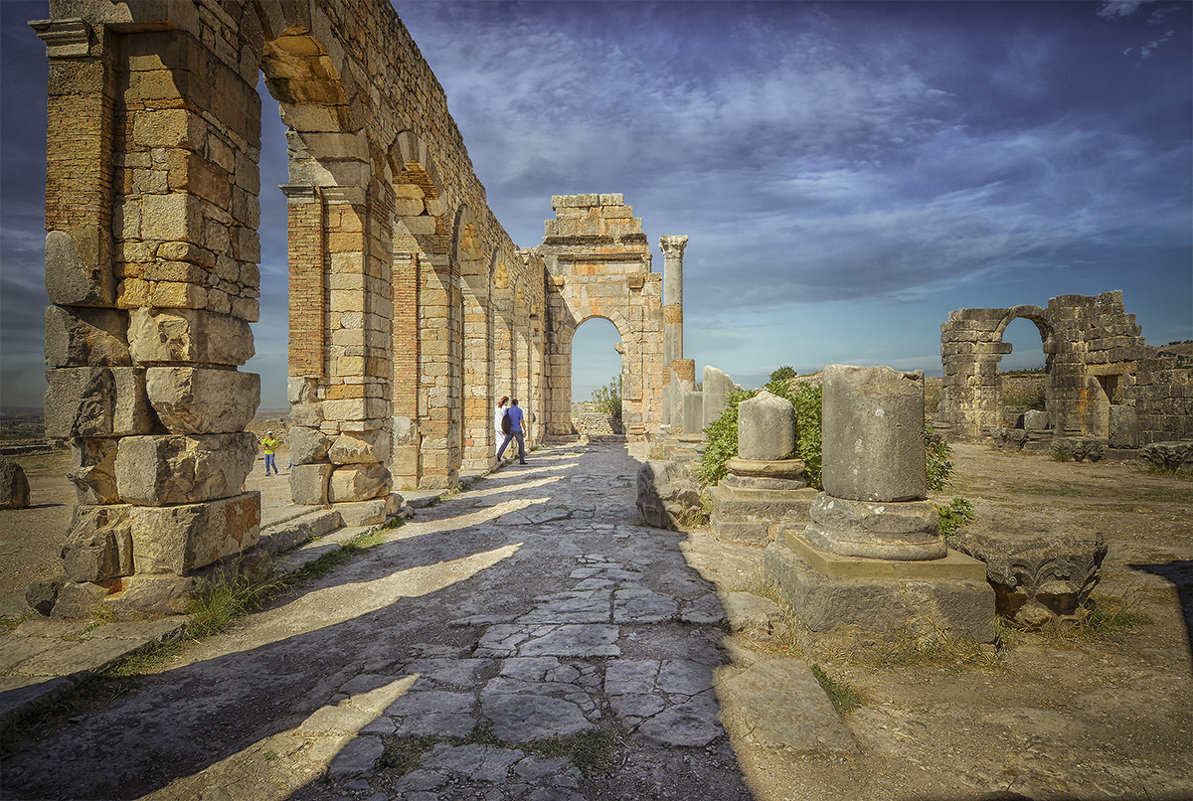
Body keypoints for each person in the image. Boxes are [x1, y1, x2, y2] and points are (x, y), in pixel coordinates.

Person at [496, 398, 527, 465]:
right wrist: (525, 430)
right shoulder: (519, 410)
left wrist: (503, 428)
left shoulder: (508, 410)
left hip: (510, 429)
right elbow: (522, 420)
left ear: (512, 403)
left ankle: (498, 455)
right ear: (517, 403)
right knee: (521, 444)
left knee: (505, 443)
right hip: (517, 429)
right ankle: (521, 460)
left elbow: (504, 420)